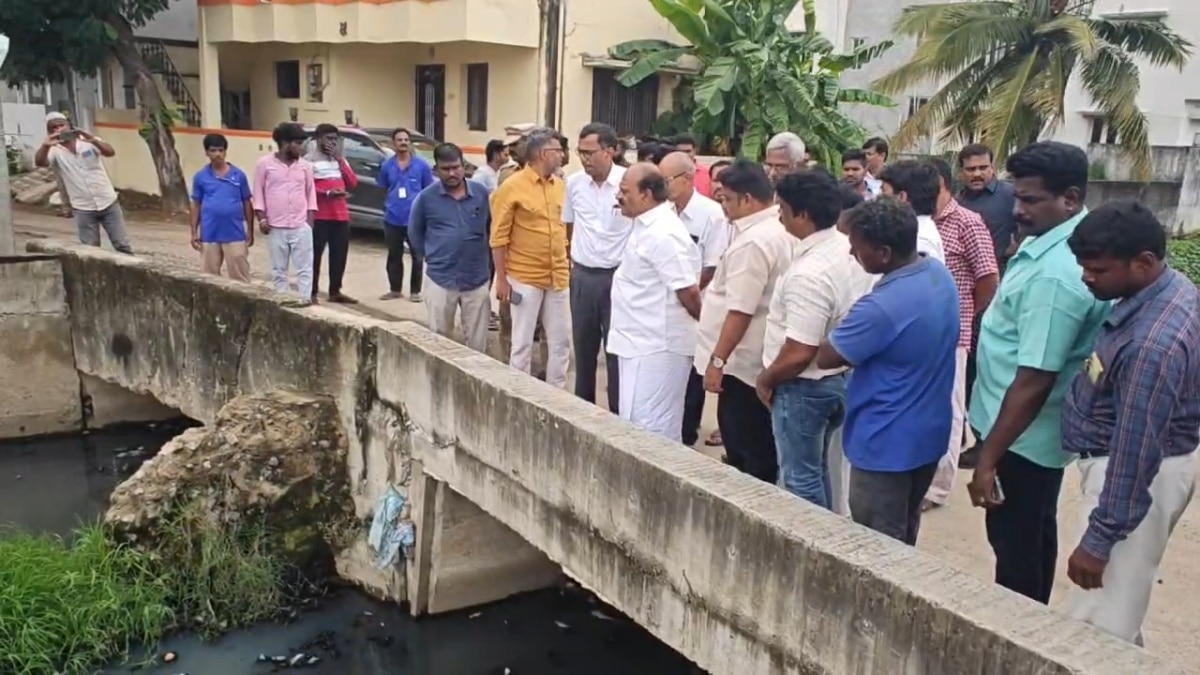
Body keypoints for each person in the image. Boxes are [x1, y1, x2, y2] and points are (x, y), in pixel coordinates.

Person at [966, 141, 1111, 605]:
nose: (1017, 209)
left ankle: (1018, 636)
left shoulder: (1057, 275)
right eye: (1016, 196)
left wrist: (988, 458)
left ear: (1069, 198)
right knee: (1031, 537)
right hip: (1023, 435)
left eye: (1030, 200)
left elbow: (1035, 378)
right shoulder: (1054, 246)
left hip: (1022, 440)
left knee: (1017, 551)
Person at [1059, 200, 1199, 644]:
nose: (1087, 277)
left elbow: (1136, 450)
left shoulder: (1152, 346)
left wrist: (1101, 539)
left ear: (1143, 262)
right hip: (1137, 469)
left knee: (1095, 628)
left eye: (1098, 270)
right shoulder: (1167, 289)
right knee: (1117, 610)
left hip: (1131, 482)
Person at [814, 197, 959, 545]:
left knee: (877, 545)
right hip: (928, 433)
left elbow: (827, 356)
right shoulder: (938, 273)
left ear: (882, 253)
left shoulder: (882, 307)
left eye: (856, 248)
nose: (851, 254)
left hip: (884, 443)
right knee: (905, 530)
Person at [757, 170, 874, 508]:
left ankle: (810, 553)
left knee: (799, 479)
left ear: (802, 215)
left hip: (804, 387)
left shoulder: (810, 273)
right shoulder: (844, 248)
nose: (779, 216)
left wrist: (766, 379)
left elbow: (800, 351)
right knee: (817, 470)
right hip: (838, 378)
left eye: (783, 209)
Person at [696, 159, 796, 485]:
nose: (721, 207)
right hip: (757, 359)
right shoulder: (776, 229)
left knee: (747, 448)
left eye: (725, 199)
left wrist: (717, 360)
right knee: (755, 446)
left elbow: (740, 309)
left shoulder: (754, 241)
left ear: (749, 199)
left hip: (742, 365)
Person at [921, 158, 999, 511]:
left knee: (951, 410)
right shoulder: (919, 223)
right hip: (921, 334)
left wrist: (965, 314)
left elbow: (988, 278)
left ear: (942, 184)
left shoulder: (968, 222)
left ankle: (937, 488)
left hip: (954, 334)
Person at [608, 163, 703, 440]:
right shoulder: (645, 225)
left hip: (658, 348)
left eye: (625, 191)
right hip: (636, 343)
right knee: (634, 426)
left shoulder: (664, 233)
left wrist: (704, 331)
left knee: (652, 432)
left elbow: (689, 293)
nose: (618, 196)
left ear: (647, 195)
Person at [490, 127, 571, 388]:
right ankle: (520, 392)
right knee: (522, 342)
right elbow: (498, 237)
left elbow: (566, 227)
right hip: (524, 277)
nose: (562, 156)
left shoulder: (560, 186)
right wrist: (501, 280)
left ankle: (557, 395)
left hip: (558, 276)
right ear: (543, 154)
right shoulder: (511, 186)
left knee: (560, 342)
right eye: (558, 151)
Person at [660, 151, 730, 446]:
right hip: (665, 307)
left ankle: (687, 435)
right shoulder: (663, 212)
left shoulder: (711, 214)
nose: (663, 187)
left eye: (666, 180)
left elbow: (712, 265)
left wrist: (686, 294)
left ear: (687, 179)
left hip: (696, 304)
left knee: (692, 373)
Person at [564, 123, 628, 413]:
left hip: (618, 279)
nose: (585, 159)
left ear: (610, 151)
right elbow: (570, 227)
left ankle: (617, 415)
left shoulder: (629, 183)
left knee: (616, 353)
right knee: (584, 350)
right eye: (581, 153)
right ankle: (583, 414)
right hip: (583, 277)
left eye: (591, 152)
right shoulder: (574, 184)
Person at [408, 143, 493, 353]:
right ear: (436, 170)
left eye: (456, 167)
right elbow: (414, 232)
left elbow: (492, 228)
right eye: (445, 169)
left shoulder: (481, 193)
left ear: (463, 166)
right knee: (440, 341)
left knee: (477, 343)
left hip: (477, 278)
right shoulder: (427, 198)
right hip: (440, 278)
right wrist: (430, 256)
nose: (452, 173)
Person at [35, 112, 132, 253]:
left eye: (61, 125)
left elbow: (110, 152)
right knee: (89, 249)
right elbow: (40, 162)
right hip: (83, 208)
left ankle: (128, 273)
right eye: (53, 128)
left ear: (69, 125)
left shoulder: (88, 142)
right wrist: (45, 146)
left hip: (107, 201)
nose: (58, 130)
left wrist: (92, 139)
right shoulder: (54, 150)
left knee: (122, 244)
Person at [253, 122, 317, 303]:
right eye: (297, 143)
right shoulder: (264, 165)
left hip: (300, 225)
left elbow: (310, 194)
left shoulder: (305, 166)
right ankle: (284, 301)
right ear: (284, 143)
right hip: (276, 226)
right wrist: (261, 219)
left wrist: (309, 224)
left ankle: (305, 302)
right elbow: (258, 193)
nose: (301, 148)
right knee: (279, 270)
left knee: (305, 269)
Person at [378, 128, 434, 302]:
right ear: (393, 144)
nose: (403, 142)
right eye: (399, 140)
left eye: (406, 140)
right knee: (394, 255)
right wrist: (389, 205)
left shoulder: (421, 165)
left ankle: (415, 291)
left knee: (418, 256)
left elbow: (427, 191)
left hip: (414, 219)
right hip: (393, 217)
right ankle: (395, 289)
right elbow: (383, 188)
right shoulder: (387, 166)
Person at [305, 123, 359, 304]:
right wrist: (326, 193)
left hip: (340, 215)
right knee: (315, 255)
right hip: (319, 216)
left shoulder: (340, 160)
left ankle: (335, 291)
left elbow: (352, 182)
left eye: (335, 139)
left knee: (339, 255)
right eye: (328, 138)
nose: (332, 142)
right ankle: (311, 292)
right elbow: (306, 187)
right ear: (318, 139)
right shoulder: (308, 160)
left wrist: (340, 160)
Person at [189, 133, 253, 281]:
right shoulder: (200, 177)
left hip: (235, 233)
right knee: (209, 278)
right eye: (213, 150)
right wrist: (193, 232)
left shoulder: (238, 175)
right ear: (206, 152)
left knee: (240, 278)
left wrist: (250, 230)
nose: (217, 154)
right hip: (210, 233)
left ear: (225, 151)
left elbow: (247, 202)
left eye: (220, 150)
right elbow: (196, 204)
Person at [957, 143, 1018, 269]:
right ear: (961, 172)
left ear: (992, 168)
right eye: (971, 169)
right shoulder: (956, 203)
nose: (977, 174)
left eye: (983, 168)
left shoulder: (1012, 194)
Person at [877, 161, 945, 262]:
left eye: (883, 191)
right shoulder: (912, 232)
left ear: (901, 197)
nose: (878, 197)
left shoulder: (920, 240)